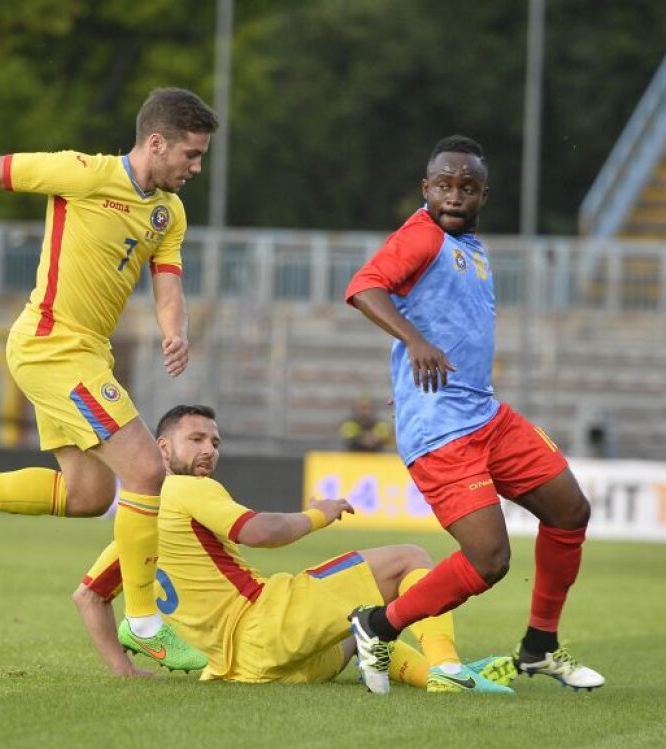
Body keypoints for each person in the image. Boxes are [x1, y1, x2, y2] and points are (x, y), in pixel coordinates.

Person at [0, 87, 219, 672]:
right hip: (52, 346)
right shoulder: (81, 173)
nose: (196, 167)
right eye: (190, 154)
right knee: (146, 469)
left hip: (85, 356)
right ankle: (144, 621)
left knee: (87, 496)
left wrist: (173, 330)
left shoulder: (168, 212)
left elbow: (168, 283)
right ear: (156, 143)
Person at [343, 135, 605, 693]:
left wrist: (412, 362)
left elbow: (447, 319)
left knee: (569, 510)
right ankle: (377, 625)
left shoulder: (474, 248)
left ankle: (540, 647)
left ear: (483, 194)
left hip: (487, 415)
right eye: (444, 185)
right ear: (425, 189)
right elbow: (364, 287)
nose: (454, 196)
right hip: (443, 432)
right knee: (489, 560)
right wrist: (414, 345)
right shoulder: (421, 235)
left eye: (467, 187)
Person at [73, 404, 517, 695]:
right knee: (411, 559)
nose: (209, 449)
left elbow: (89, 597)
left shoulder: (133, 532)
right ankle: (448, 668)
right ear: (161, 448)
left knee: (360, 625)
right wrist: (319, 513)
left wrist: (121, 669)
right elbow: (261, 531)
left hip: (243, 668)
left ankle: (428, 674)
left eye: (215, 442)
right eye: (197, 439)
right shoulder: (186, 487)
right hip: (266, 623)